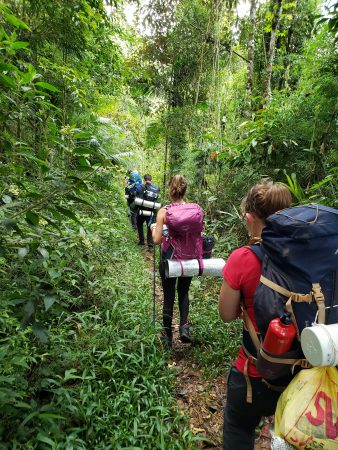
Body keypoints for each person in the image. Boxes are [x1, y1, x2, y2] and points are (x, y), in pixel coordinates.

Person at [218, 179, 292, 450]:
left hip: (252, 373)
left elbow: (226, 314)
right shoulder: (306, 256)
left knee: (238, 427)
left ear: (250, 218)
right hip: (298, 376)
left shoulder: (242, 258)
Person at [151, 175, 203, 348]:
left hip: (170, 259)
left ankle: (167, 338)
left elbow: (157, 240)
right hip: (189, 259)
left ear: (169, 190)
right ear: (185, 190)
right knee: (184, 292)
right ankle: (184, 328)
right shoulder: (194, 209)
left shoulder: (164, 212)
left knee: (168, 296)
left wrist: (153, 229)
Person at [136, 174, 160, 249]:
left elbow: (138, 198)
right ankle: (150, 243)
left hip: (142, 210)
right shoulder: (157, 188)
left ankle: (142, 241)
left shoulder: (141, 186)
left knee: (139, 224)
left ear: (144, 180)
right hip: (152, 211)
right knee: (150, 226)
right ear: (151, 179)